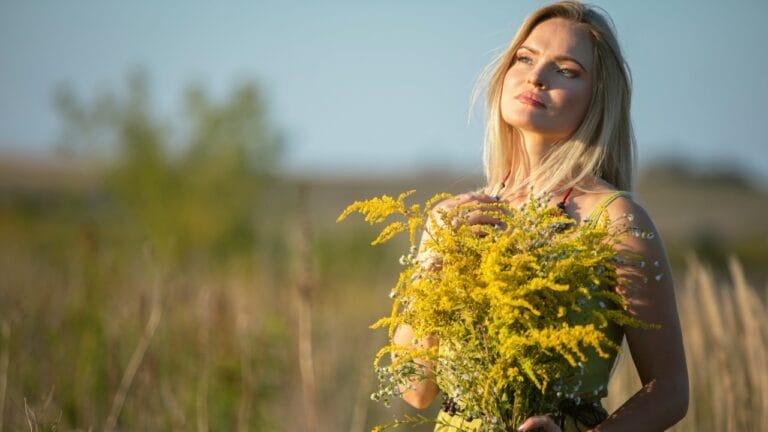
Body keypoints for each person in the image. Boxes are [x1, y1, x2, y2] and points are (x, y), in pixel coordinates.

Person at [392, 1, 689, 431]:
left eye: (566, 70)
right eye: (525, 58)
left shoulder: (615, 219)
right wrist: (439, 267)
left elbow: (669, 392)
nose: (536, 76)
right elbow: (414, 389)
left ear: (598, 99)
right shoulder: (449, 218)